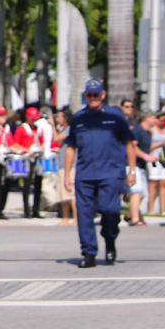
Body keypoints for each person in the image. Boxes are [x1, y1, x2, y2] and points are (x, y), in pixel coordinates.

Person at [64, 80, 137, 268]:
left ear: (103, 95)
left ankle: (110, 239)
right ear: (85, 96)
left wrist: (132, 170)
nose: (93, 98)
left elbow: (129, 143)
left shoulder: (115, 116)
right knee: (84, 214)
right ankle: (89, 253)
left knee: (110, 210)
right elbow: (71, 147)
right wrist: (67, 174)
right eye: (90, 95)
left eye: (96, 95)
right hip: (85, 174)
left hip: (111, 172)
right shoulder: (78, 118)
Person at [126, 111, 153, 226]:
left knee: (142, 193)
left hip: (141, 165)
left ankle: (129, 214)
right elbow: (132, 146)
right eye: (154, 117)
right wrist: (146, 156)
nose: (156, 120)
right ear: (147, 118)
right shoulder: (137, 130)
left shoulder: (149, 132)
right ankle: (135, 218)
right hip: (132, 164)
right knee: (137, 191)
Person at [146, 112, 165, 218]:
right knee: (154, 183)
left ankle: (163, 209)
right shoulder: (152, 130)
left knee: (164, 184)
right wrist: (162, 143)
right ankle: (151, 208)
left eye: (164, 120)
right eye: (161, 120)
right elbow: (149, 146)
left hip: (164, 160)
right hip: (154, 159)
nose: (162, 122)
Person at [52, 110, 75, 225]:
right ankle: (65, 218)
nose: (57, 119)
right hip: (62, 164)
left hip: (71, 166)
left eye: (59, 117)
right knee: (63, 193)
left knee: (72, 193)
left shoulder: (70, 129)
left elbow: (56, 138)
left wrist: (52, 126)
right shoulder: (64, 129)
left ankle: (76, 218)